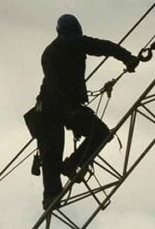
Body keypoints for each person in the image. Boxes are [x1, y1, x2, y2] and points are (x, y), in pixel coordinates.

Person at [35, 14, 139, 209]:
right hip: (58, 106)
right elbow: (102, 46)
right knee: (98, 133)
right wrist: (127, 57)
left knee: (51, 152)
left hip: (49, 108)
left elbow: (51, 84)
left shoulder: (50, 51)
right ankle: (70, 166)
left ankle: (52, 194)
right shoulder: (71, 44)